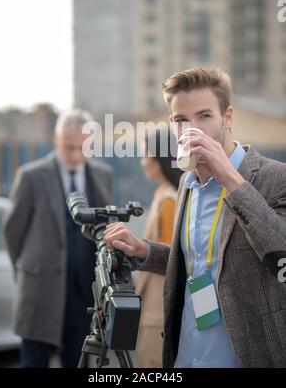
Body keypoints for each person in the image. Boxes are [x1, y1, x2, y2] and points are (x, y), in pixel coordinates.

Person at [104, 67, 286, 368]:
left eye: (205, 116)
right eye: (181, 120)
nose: (193, 129)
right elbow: (197, 263)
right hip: (187, 354)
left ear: (227, 118)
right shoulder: (187, 184)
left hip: (246, 356)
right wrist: (144, 250)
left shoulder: (275, 177)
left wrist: (229, 176)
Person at [4, 109, 113, 368]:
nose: (75, 154)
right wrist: (27, 271)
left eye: (81, 147)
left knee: (78, 361)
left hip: (85, 296)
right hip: (39, 292)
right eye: (68, 147)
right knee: (34, 361)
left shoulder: (103, 175)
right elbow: (13, 232)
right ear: (56, 140)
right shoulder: (30, 176)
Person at [136, 127, 182, 368]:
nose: (143, 162)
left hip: (157, 311)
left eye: (145, 156)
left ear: (158, 160)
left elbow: (169, 259)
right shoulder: (163, 194)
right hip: (152, 308)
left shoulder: (168, 200)